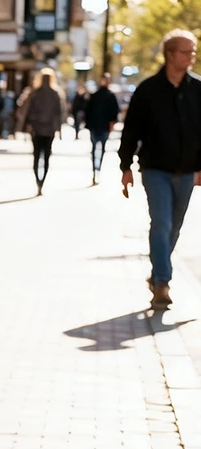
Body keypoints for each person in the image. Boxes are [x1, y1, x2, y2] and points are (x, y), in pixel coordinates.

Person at [119, 29, 201, 311]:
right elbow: (131, 130)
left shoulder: (198, 89)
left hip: (188, 171)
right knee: (162, 222)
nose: (191, 57)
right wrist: (125, 165)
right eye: (186, 51)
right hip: (155, 169)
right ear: (170, 54)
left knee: (174, 228)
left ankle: (156, 274)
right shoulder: (148, 90)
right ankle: (162, 284)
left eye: (193, 51)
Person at [18, 70, 66, 195]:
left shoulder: (35, 93)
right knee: (46, 156)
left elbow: (27, 111)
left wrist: (27, 125)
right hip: (49, 130)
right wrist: (59, 129)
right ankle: (42, 181)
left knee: (36, 155)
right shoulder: (55, 93)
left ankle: (38, 182)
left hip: (37, 129)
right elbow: (59, 113)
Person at [85, 74, 121, 184]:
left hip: (103, 127)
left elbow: (114, 113)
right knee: (96, 149)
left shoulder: (108, 96)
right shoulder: (96, 95)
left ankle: (97, 169)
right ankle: (95, 170)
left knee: (100, 149)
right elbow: (88, 111)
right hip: (97, 126)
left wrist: (111, 124)